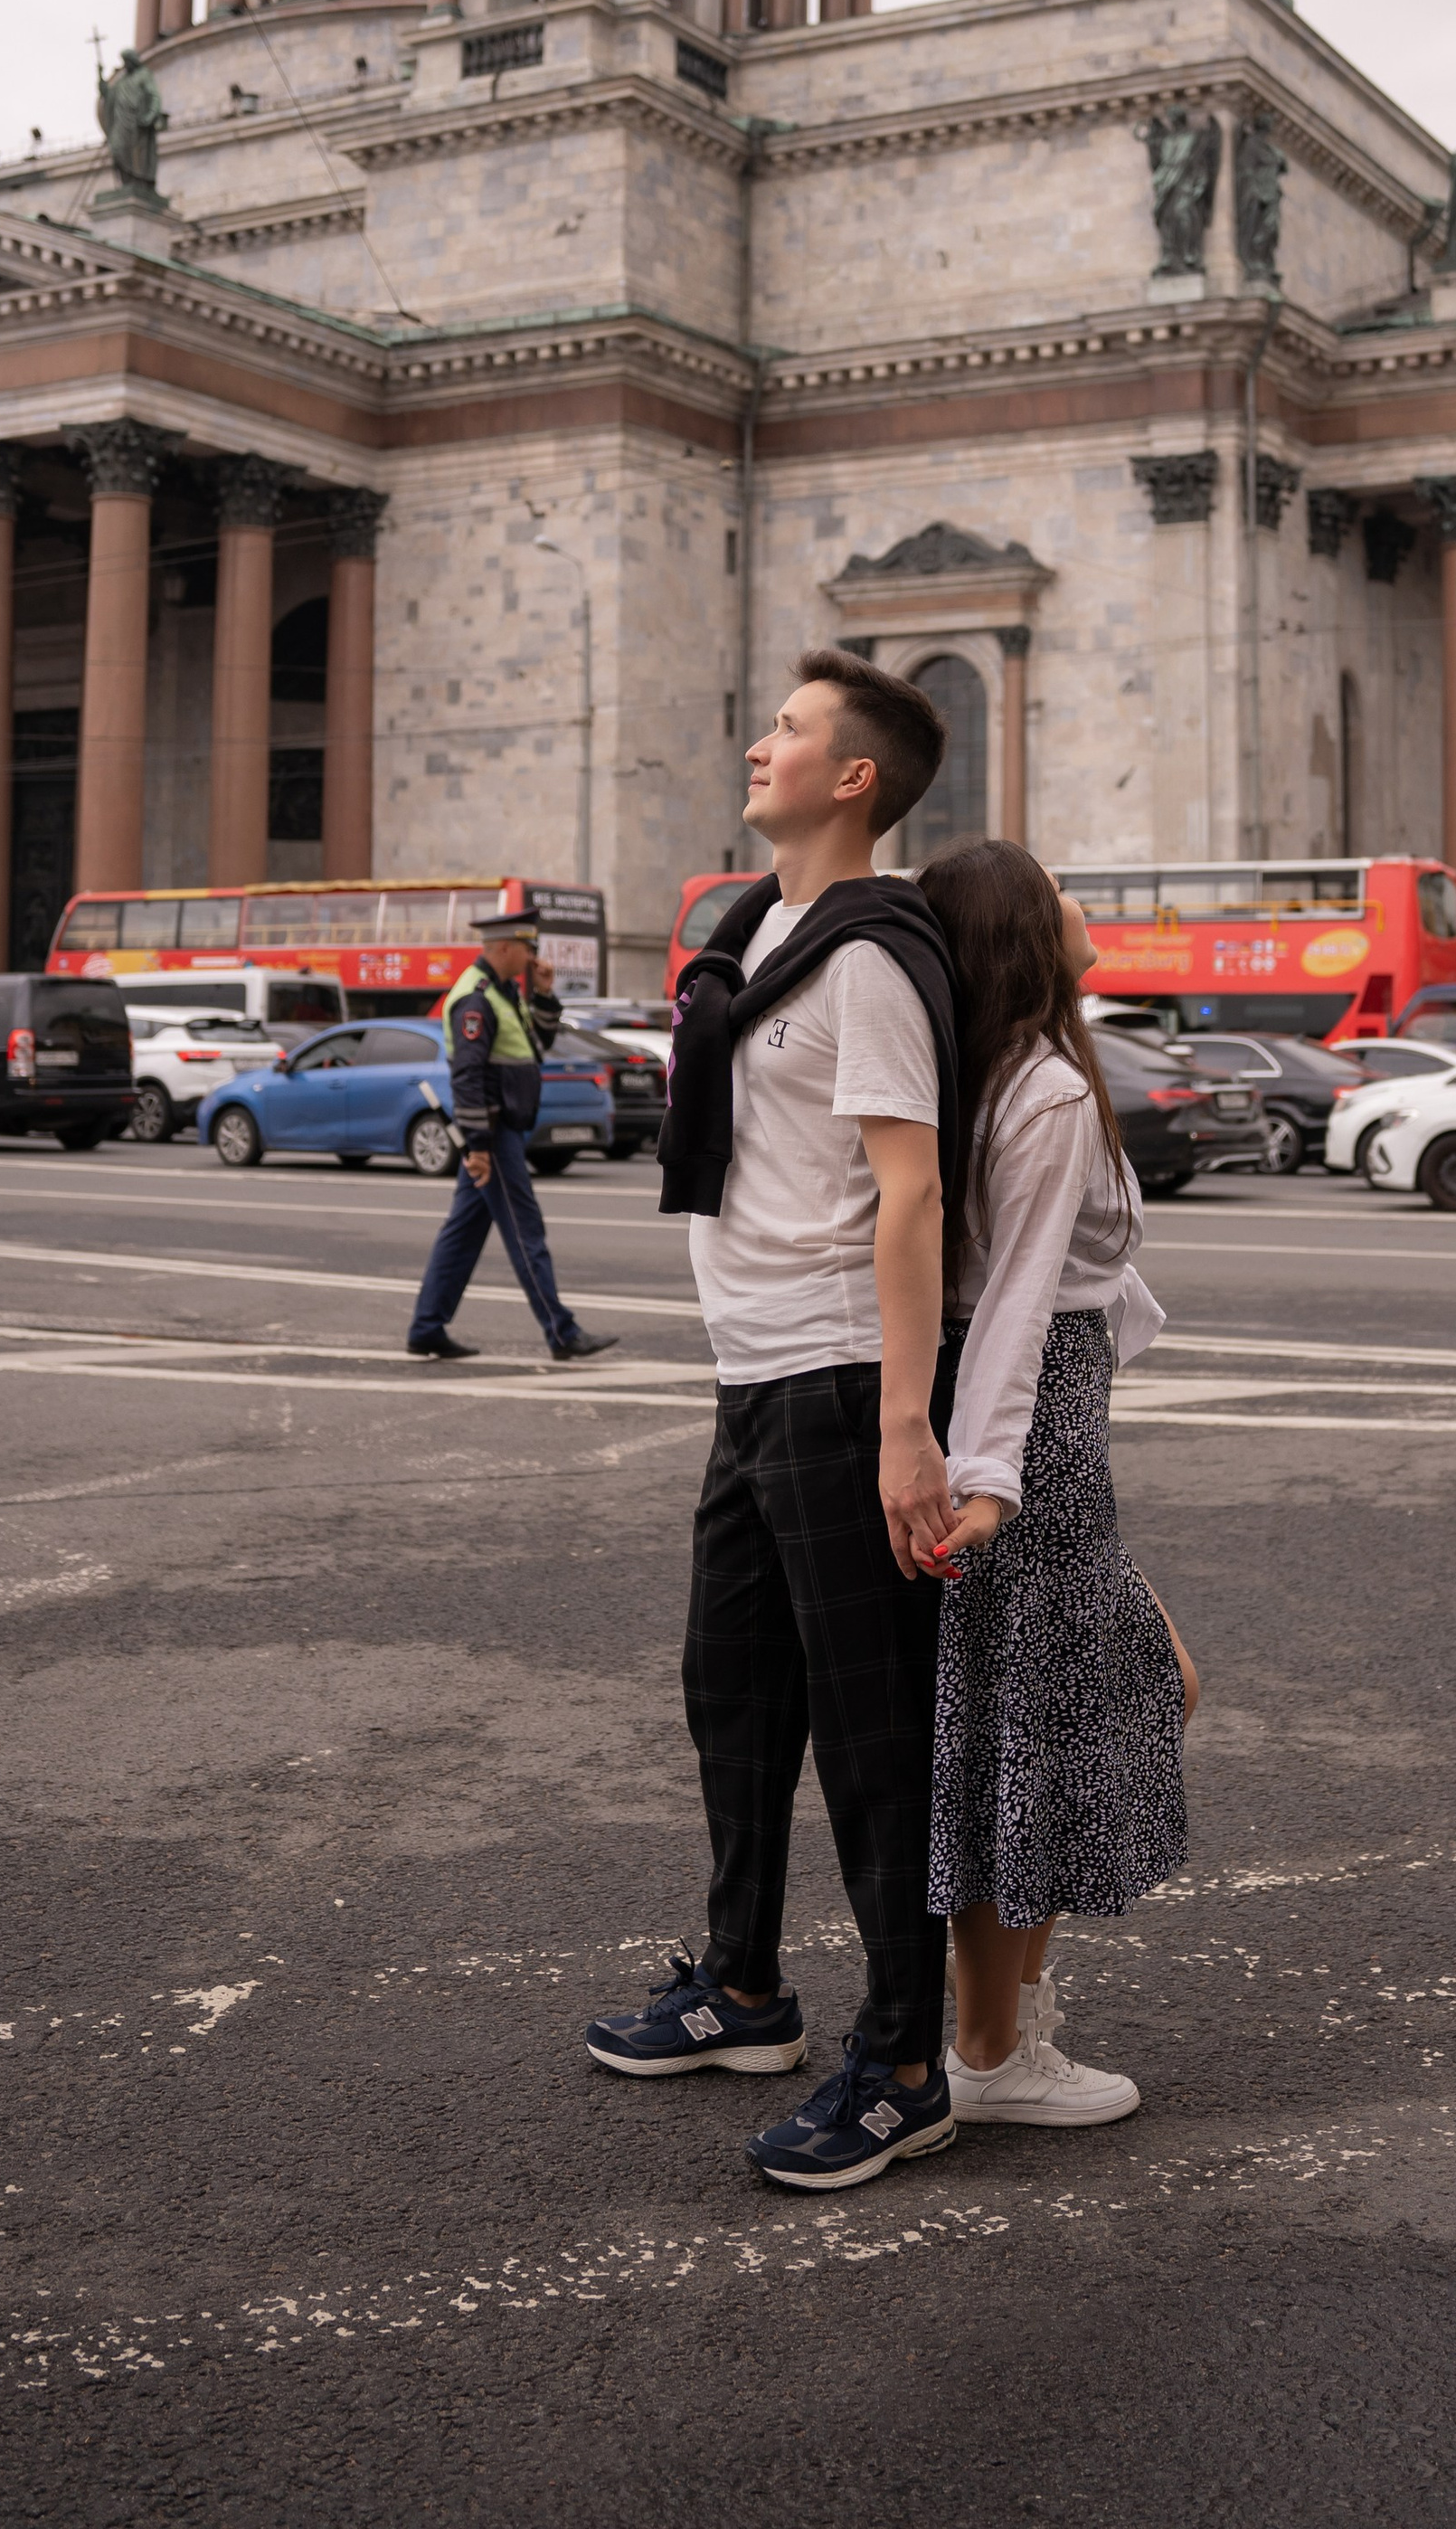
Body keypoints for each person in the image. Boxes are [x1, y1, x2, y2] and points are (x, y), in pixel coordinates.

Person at [582, 649, 969, 2193]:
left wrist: (903, 1423)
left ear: (854, 777)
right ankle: (743, 1988)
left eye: (794, 729)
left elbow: (912, 1189)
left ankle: (905, 2061)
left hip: (829, 1378)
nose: (762, 742)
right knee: (732, 1694)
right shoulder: (761, 932)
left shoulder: (872, 954)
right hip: (749, 1374)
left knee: (872, 1735)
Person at [916, 839, 1197, 2127]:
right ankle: (991, 2049)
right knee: (1030, 1731)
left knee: (1055, 1715)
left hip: (1030, 1426)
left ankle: (1003, 2025)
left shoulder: (997, 1074)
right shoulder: (1041, 1089)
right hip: (1037, 1441)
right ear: (1029, 933)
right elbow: (1019, 1303)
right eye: (1055, 889)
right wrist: (989, 1478)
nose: (1082, 900)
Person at [404, 901, 617, 1366]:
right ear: (504, 947)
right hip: (495, 1132)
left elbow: (537, 1047)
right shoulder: (476, 998)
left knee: (463, 1232)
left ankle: (426, 1327)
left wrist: (543, 993)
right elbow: (469, 1075)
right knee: (526, 1230)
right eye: (527, 947)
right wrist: (478, 1145)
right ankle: (562, 1331)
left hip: (504, 1129)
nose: (533, 956)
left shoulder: (503, 991)